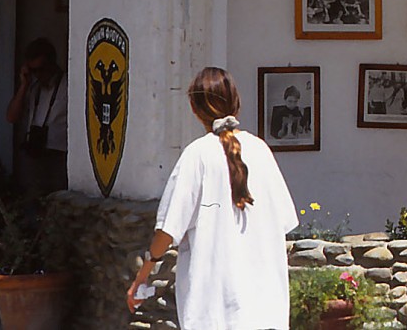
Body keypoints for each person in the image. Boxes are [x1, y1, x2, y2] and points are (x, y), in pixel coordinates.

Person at [127, 67, 298, 329]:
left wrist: (143, 274)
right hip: (266, 309)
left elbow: (167, 231)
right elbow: (285, 222)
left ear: (195, 109)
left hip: (213, 312)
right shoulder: (261, 151)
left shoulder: (197, 156)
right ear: (236, 104)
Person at [5, 37, 67, 201]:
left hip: (58, 153)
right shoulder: (33, 89)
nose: (38, 75)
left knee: (56, 201)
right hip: (34, 151)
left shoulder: (67, 85)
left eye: (41, 69)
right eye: (33, 71)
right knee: (33, 200)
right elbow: (11, 117)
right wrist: (24, 85)